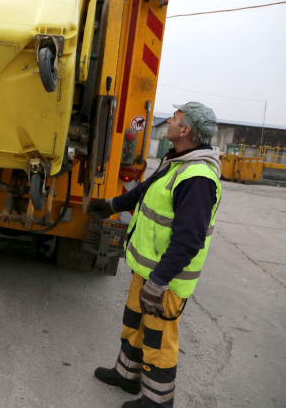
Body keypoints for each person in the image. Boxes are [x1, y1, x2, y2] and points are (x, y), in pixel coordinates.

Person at [89, 102, 222, 407]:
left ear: (185, 130)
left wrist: (159, 281)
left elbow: (189, 241)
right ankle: (127, 376)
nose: (170, 123)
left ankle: (157, 402)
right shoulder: (177, 161)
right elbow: (144, 191)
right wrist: (112, 205)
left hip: (166, 279)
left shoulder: (197, 178)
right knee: (135, 323)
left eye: (175, 119)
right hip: (147, 270)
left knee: (158, 339)